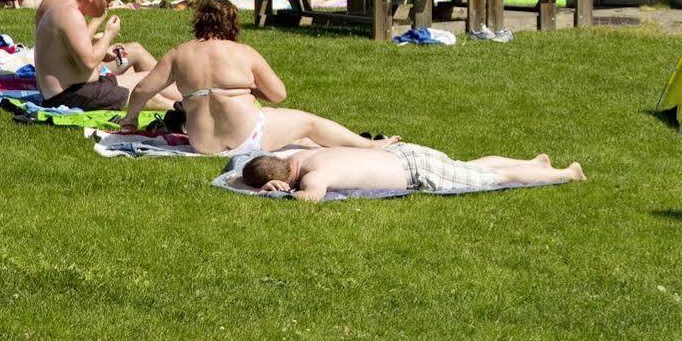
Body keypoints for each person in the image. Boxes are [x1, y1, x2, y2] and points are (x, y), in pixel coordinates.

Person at [115, 0, 383, 155]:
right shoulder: (243, 53)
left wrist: (130, 120)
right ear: (232, 25)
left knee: (298, 133)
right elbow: (279, 94)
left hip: (201, 143)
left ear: (198, 24)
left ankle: (360, 144)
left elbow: (141, 90)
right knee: (308, 123)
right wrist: (251, 90)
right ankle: (367, 145)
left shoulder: (180, 53)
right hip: (245, 138)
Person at [34, 0, 173, 111]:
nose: (110, 5)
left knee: (149, 79)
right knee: (148, 97)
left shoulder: (66, 8)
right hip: (69, 96)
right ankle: (185, 113)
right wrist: (108, 35)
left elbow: (72, 57)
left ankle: (192, 98)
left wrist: (102, 51)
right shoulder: (70, 14)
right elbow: (89, 63)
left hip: (79, 88)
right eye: (108, 0)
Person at [242, 141, 582, 200]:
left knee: (494, 179)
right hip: (403, 154)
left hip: (416, 171)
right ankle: (535, 164)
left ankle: (565, 174)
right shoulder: (304, 154)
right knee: (469, 167)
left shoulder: (314, 177)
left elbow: (310, 198)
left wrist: (274, 192)